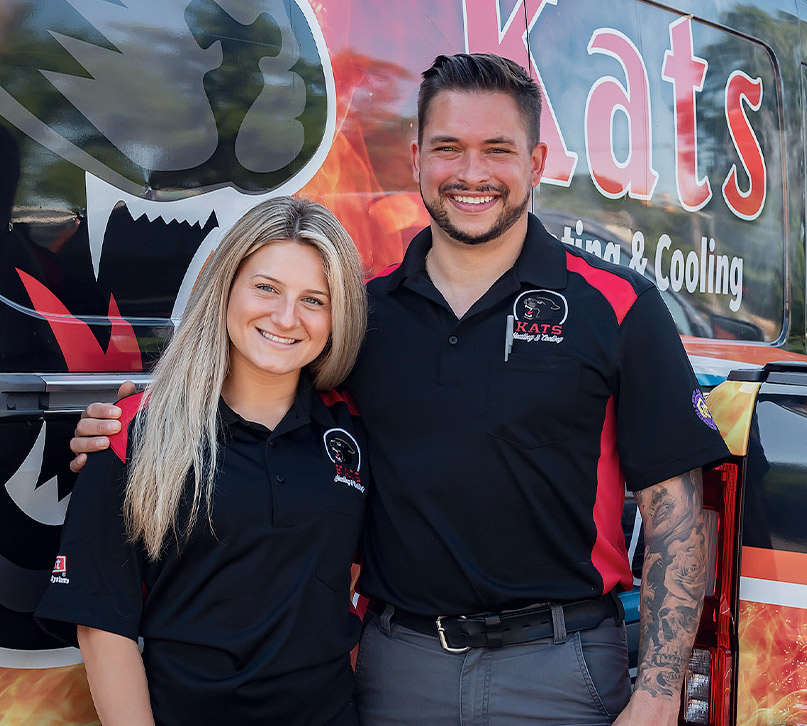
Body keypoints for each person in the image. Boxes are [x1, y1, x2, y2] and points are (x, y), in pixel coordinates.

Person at [69, 54, 730, 726]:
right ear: (416, 159)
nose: (471, 174)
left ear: (535, 162)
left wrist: (656, 693)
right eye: (448, 148)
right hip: (397, 667)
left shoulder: (617, 306)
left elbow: (673, 508)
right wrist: (128, 429)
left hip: (559, 668)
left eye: (496, 150)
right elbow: (252, 390)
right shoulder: (361, 316)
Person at [37, 196, 369, 726]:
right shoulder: (133, 431)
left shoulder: (352, 433)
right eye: (267, 287)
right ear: (225, 287)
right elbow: (102, 627)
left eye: (315, 299)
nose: (287, 317)